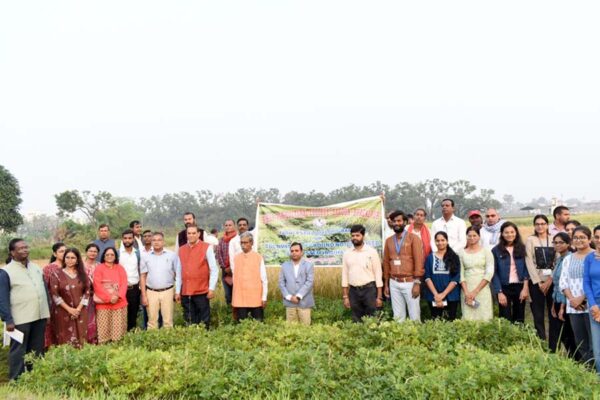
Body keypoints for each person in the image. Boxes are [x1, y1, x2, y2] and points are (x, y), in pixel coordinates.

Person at [0, 239, 50, 381]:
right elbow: (2, 298)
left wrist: (47, 312)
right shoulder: (6, 272)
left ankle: (35, 377)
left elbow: (44, 290)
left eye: (26, 247)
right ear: (12, 252)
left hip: (39, 316)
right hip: (19, 319)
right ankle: (16, 380)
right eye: (20, 248)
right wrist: (8, 319)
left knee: (37, 349)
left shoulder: (35, 267)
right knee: (18, 351)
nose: (24, 250)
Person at [559, 226, 594, 366]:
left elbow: (596, 282)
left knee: (594, 340)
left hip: (592, 304)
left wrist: (582, 298)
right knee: (580, 340)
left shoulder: (595, 256)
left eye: (582, 237)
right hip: (573, 306)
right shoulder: (568, 259)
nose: (578, 240)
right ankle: (588, 370)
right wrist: (572, 300)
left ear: (589, 239)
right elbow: (563, 282)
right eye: (576, 238)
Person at [383, 210, 424, 322]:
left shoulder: (414, 238)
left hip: (410, 282)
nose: (396, 223)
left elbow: (419, 262)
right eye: (394, 221)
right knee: (398, 317)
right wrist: (386, 284)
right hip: (394, 282)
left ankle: (416, 339)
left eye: (399, 220)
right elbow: (386, 262)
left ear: (405, 222)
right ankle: (400, 339)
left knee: (414, 316)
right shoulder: (388, 241)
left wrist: (417, 283)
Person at [175, 225, 218, 329]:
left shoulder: (206, 247)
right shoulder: (181, 249)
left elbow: (214, 269)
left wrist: (211, 288)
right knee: (189, 318)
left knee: (203, 319)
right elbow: (179, 271)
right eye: (189, 233)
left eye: (194, 233)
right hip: (186, 291)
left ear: (199, 234)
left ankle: (204, 340)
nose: (191, 235)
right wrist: (177, 291)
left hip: (202, 290)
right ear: (186, 235)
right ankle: (191, 341)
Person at [48, 248, 90, 348]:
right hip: (63, 312)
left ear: (77, 260)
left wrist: (78, 310)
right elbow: (55, 295)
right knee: (64, 338)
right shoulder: (56, 274)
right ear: (64, 259)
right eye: (67, 257)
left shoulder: (82, 274)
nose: (69, 260)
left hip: (80, 311)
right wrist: (70, 310)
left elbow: (87, 293)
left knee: (81, 337)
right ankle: (65, 361)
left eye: (73, 258)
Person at [342, 225, 383, 323]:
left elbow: (378, 273)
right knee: (356, 319)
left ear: (363, 236)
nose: (355, 238)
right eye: (353, 236)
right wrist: (345, 296)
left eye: (357, 235)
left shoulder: (372, 252)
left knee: (372, 320)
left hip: (369, 290)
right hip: (353, 291)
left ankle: (373, 338)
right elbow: (344, 275)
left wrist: (379, 297)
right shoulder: (347, 253)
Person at [491, 222, 529, 324]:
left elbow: (526, 268)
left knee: (519, 317)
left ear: (516, 233)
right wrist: (499, 292)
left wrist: (525, 289)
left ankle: (519, 338)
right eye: (506, 232)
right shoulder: (496, 250)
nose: (509, 234)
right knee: (505, 317)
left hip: (519, 286)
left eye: (512, 232)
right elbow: (494, 272)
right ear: (502, 234)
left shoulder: (523, 248)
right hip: (504, 287)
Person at [525, 215, 555, 340]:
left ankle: (554, 341)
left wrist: (550, 279)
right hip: (536, 282)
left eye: (543, 223)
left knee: (553, 313)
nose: (540, 226)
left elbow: (558, 260)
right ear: (534, 226)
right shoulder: (531, 240)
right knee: (538, 314)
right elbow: (529, 261)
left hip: (552, 281)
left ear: (547, 225)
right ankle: (541, 340)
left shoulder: (553, 239)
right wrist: (538, 282)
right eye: (537, 224)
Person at [140, 232, 179, 329]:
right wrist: (144, 295)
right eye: (154, 240)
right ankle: (153, 342)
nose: (156, 242)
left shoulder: (172, 255)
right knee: (152, 321)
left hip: (167, 291)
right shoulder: (145, 256)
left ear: (163, 242)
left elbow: (177, 274)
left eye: (159, 240)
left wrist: (177, 291)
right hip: (151, 292)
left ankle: (168, 342)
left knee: (168, 321)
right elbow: (143, 276)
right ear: (151, 242)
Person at [550, 232, 579, 358]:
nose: (557, 245)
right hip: (557, 300)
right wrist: (553, 304)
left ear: (568, 243)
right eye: (555, 242)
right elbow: (556, 284)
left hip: (566, 302)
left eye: (561, 242)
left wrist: (562, 307)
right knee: (561, 334)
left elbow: (566, 283)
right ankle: (573, 358)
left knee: (568, 333)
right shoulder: (559, 259)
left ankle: (577, 359)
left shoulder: (570, 258)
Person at [93, 247, 128, 344]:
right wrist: (109, 298)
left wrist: (117, 296)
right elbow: (97, 285)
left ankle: (117, 348)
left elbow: (124, 283)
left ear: (115, 256)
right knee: (104, 328)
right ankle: (104, 349)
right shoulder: (99, 268)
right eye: (107, 254)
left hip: (119, 303)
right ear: (103, 256)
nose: (109, 256)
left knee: (118, 328)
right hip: (103, 304)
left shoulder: (120, 268)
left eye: (112, 254)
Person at [459, 227, 494, 321]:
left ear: (479, 237)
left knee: (484, 316)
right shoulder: (461, 252)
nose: (472, 238)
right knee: (468, 316)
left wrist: (476, 291)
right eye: (469, 236)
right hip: (467, 288)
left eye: (474, 235)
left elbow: (489, 272)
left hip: (482, 288)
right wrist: (467, 292)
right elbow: (460, 274)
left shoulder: (486, 252)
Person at [424, 232, 461, 321]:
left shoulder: (454, 257)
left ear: (447, 241)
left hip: (451, 295)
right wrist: (437, 295)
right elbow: (427, 277)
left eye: (443, 240)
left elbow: (455, 278)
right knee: (436, 321)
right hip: (433, 295)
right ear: (435, 242)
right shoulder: (430, 258)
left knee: (450, 321)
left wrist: (443, 295)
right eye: (437, 241)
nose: (440, 243)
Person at [231, 232, 268, 322]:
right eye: (241, 243)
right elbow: (235, 279)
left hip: (255, 298)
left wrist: (264, 297)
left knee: (258, 324)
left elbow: (264, 279)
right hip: (240, 299)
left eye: (246, 242)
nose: (243, 245)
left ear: (252, 243)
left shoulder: (258, 257)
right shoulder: (236, 258)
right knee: (241, 325)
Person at [278, 242, 315, 325]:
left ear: (301, 252)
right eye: (292, 251)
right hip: (290, 303)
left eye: (296, 250)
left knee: (305, 329)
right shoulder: (284, 266)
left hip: (304, 303)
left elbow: (309, 282)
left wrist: (298, 296)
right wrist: (289, 296)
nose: (294, 252)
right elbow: (281, 283)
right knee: (291, 330)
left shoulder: (309, 265)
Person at [42, 242, 66, 350]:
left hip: (69, 303)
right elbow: (45, 288)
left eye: (65, 251)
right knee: (53, 329)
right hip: (53, 304)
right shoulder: (48, 268)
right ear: (55, 254)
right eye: (61, 251)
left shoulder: (70, 266)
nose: (64, 253)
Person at [584, 225, 600, 374]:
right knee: (597, 350)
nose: (599, 240)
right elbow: (586, 283)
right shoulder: (589, 258)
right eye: (597, 237)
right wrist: (593, 304)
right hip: (595, 308)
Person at [118, 229, 142, 331]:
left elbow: (141, 270)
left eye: (130, 238)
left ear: (133, 239)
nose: (127, 240)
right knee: (120, 314)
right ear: (122, 239)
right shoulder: (117, 253)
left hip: (134, 289)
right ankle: (120, 336)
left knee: (133, 314)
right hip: (120, 290)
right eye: (125, 238)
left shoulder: (138, 253)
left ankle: (131, 336)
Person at [216, 219, 237, 306]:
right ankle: (229, 312)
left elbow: (239, 254)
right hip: (225, 271)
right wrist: (225, 268)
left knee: (236, 293)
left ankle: (237, 312)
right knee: (228, 294)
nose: (228, 227)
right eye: (226, 225)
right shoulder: (221, 240)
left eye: (230, 225)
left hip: (236, 270)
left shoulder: (238, 239)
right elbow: (218, 254)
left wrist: (231, 268)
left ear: (234, 226)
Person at [83, 243, 100, 344]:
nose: (93, 253)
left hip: (98, 296)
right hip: (84, 297)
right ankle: (85, 340)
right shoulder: (80, 265)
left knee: (97, 319)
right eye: (90, 251)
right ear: (86, 252)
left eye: (95, 252)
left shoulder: (99, 265)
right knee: (86, 319)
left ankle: (96, 340)